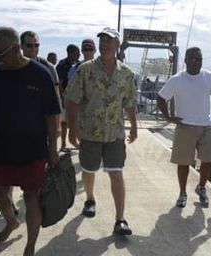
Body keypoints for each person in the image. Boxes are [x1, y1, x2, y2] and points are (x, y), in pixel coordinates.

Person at [0, 27, 60, 256]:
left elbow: (52, 115)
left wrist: (53, 149)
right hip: (2, 147)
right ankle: (12, 221)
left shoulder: (40, 74)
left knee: (31, 195)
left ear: (15, 49)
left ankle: (30, 247)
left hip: (33, 150)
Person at [65, 27, 137, 235]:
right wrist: (72, 127)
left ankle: (120, 219)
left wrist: (133, 125)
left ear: (117, 45)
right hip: (90, 133)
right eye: (102, 40)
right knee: (88, 170)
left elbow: (130, 102)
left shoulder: (126, 73)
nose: (105, 44)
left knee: (116, 173)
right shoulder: (85, 70)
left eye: (109, 40)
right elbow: (72, 99)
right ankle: (89, 199)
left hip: (115, 134)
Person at [156, 47, 211, 208]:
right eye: (193, 59)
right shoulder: (176, 79)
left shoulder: (210, 78)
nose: (196, 62)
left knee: (208, 160)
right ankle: (182, 193)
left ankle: (201, 187)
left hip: (205, 126)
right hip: (184, 126)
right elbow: (161, 98)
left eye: (199, 59)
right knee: (183, 163)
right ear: (186, 60)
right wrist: (168, 117)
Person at [56, 44, 80, 151]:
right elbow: (60, 83)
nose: (79, 55)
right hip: (65, 95)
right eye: (77, 53)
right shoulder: (62, 65)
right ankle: (63, 144)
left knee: (78, 120)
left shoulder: (79, 64)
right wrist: (61, 99)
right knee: (64, 122)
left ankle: (78, 141)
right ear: (71, 53)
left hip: (77, 96)